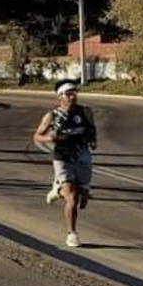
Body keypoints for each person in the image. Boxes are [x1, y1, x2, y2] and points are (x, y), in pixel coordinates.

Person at [33, 80, 97, 248]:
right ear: (60, 96)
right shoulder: (52, 116)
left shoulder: (86, 111)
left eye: (74, 93)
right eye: (68, 94)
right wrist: (50, 138)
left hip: (82, 155)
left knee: (83, 199)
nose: (72, 97)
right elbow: (37, 136)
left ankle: (57, 188)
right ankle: (72, 234)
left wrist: (92, 140)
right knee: (72, 198)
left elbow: (91, 128)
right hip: (62, 156)